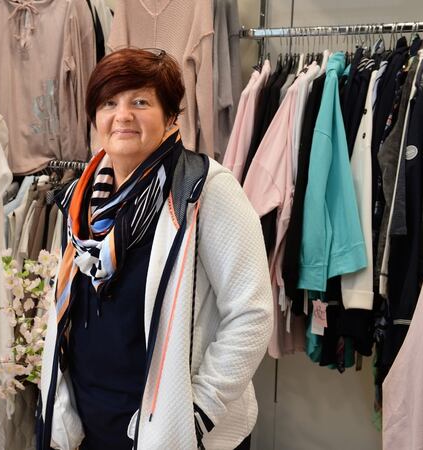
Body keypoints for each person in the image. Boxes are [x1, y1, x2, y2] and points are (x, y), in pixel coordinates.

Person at [38, 48, 273, 450]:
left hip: (175, 428)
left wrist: (198, 413)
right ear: (95, 117)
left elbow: (251, 313)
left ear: (170, 117)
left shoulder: (203, 190)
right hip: (94, 423)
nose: (123, 115)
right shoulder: (80, 200)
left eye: (140, 101)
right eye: (109, 102)